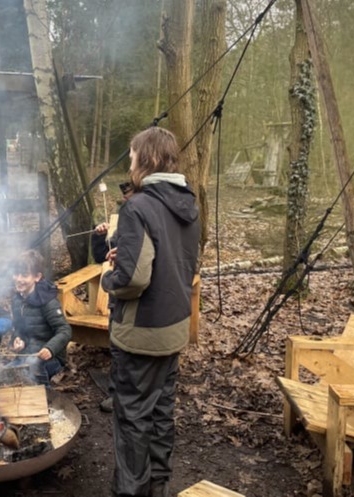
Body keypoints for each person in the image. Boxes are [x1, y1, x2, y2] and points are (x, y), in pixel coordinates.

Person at [101, 127, 200, 497]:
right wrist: (125, 254)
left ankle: (130, 491)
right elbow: (179, 261)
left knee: (132, 420)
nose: (128, 162)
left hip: (141, 334)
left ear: (145, 158)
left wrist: (110, 278)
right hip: (175, 328)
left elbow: (134, 279)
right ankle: (158, 487)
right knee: (160, 413)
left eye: (130, 155)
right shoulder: (188, 203)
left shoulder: (138, 206)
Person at [92, 180, 135, 413]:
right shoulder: (124, 225)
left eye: (128, 197)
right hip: (117, 298)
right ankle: (115, 395)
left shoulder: (144, 222)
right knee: (117, 348)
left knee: (132, 350)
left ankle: (132, 397)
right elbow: (101, 255)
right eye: (124, 199)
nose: (125, 202)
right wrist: (101, 237)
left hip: (135, 298)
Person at [9, 250, 72, 386]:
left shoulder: (48, 301)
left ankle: (45, 401)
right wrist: (17, 339)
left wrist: (50, 348)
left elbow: (65, 330)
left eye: (25, 275)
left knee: (34, 370)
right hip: (27, 354)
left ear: (37, 277)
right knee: (7, 374)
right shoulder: (17, 299)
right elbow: (19, 329)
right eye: (16, 274)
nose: (19, 279)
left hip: (51, 358)